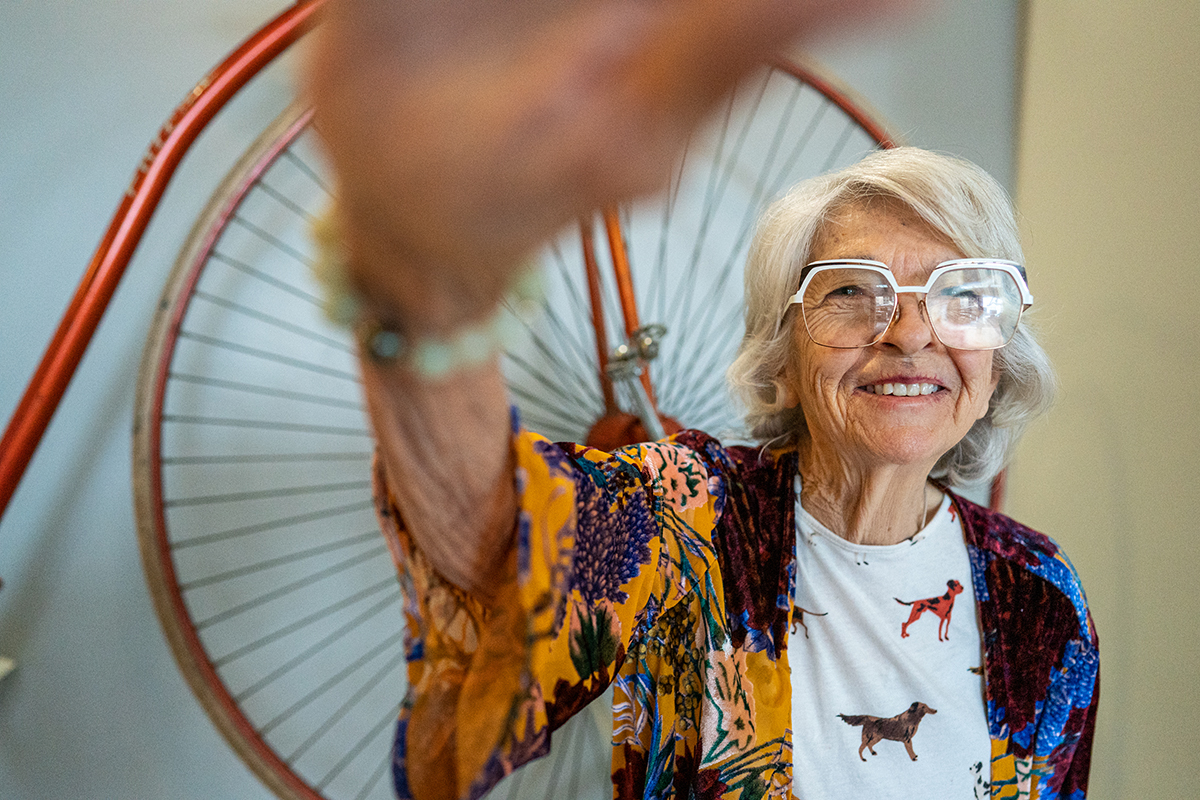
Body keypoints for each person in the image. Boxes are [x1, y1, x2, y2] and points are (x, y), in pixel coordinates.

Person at [303, 2, 1098, 799]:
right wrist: (422, 280)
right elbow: (497, 543)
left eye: (964, 295)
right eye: (853, 292)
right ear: (782, 355)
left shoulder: (1040, 596)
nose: (912, 331)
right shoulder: (695, 522)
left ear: (997, 354)